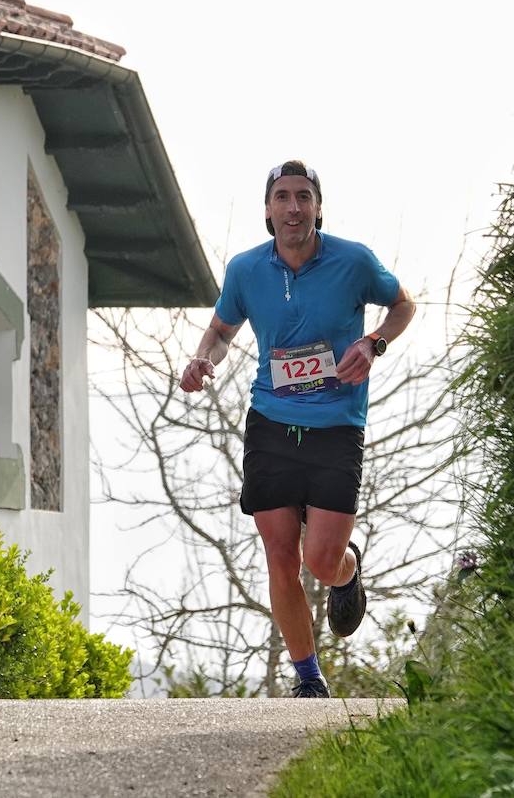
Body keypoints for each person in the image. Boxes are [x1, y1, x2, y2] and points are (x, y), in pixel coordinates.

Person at [180, 160, 415, 698]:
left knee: (320, 560)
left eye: (303, 197)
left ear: (317, 207)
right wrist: (202, 359)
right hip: (271, 425)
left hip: (336, 428)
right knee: (280, 554)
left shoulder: (353, 262)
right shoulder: (246, 270)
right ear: (268, 209)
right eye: (282, 197)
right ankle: (308, 679)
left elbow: (403, 304)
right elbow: (220, 329)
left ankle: (348, 570)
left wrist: (373, 343)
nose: (293, 207)